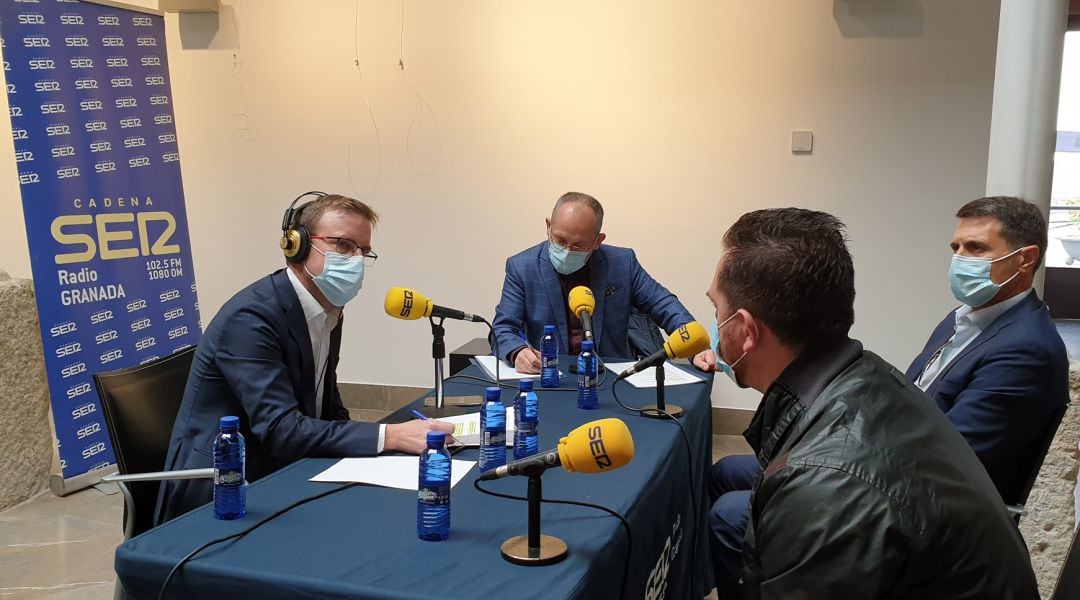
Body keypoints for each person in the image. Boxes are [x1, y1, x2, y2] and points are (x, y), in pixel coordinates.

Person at [699, 208, 1037, 598]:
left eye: (716, 310)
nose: (715, 324)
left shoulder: (825, 486)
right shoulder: (865, 372)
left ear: (743, 329)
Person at [155, 193, 452, 524]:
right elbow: (281, 429)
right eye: (343, 245)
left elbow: (328, 407)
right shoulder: (251, 318)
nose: (355, 259)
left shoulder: (328, 308)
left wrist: (373, 450)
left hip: (282, 469)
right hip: (222, 489)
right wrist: (390, 436)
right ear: (297, 244)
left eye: (363, 251)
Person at [906, 196, 1069, 507]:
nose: (960, 259)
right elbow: (909, 397)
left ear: (1025, 259)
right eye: (956, 248)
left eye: (976, 248)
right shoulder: (961, 318)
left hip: (940, 517)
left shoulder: (1026, 350)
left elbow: (944, 458)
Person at [491, 192, 695, 372]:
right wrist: (517, 352)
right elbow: (503, 328)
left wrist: (695, 345)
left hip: (610, 374)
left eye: (578, 245)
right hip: (550, 375)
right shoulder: (522, 267)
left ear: (598, 241)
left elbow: (662, 303)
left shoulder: (622, 262)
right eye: (560, 240)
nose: (567, 251)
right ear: (548, 226)